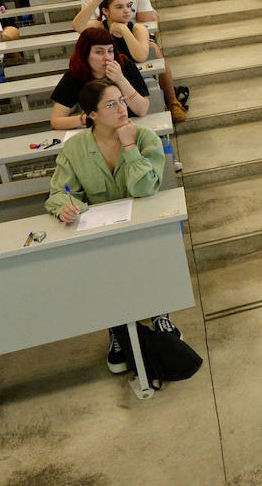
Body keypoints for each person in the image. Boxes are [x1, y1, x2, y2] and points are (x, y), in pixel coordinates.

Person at [45, 77, 171, 370]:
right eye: (111, 105)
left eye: (122, 101)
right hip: (102, 230)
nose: (121, 109)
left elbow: (145, 189)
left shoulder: (144, 138)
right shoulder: (75, 148)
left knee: (149, 261)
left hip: (143, 225)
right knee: (103, 270)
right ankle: (116, 328)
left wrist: (128, 146)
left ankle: (160, 314)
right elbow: (58, 194)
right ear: (91, 115)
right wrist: (66, 208)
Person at [49, 27, 151, 130]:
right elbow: (56, 121)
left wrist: (120, 79)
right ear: (85, 55)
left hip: (131, 125)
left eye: (110, 51)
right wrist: (88, 119)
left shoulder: (125, 66)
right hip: (99, 132)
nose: (107, 57)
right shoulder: (75, 75)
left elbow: (142, 110)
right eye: (99, 52)